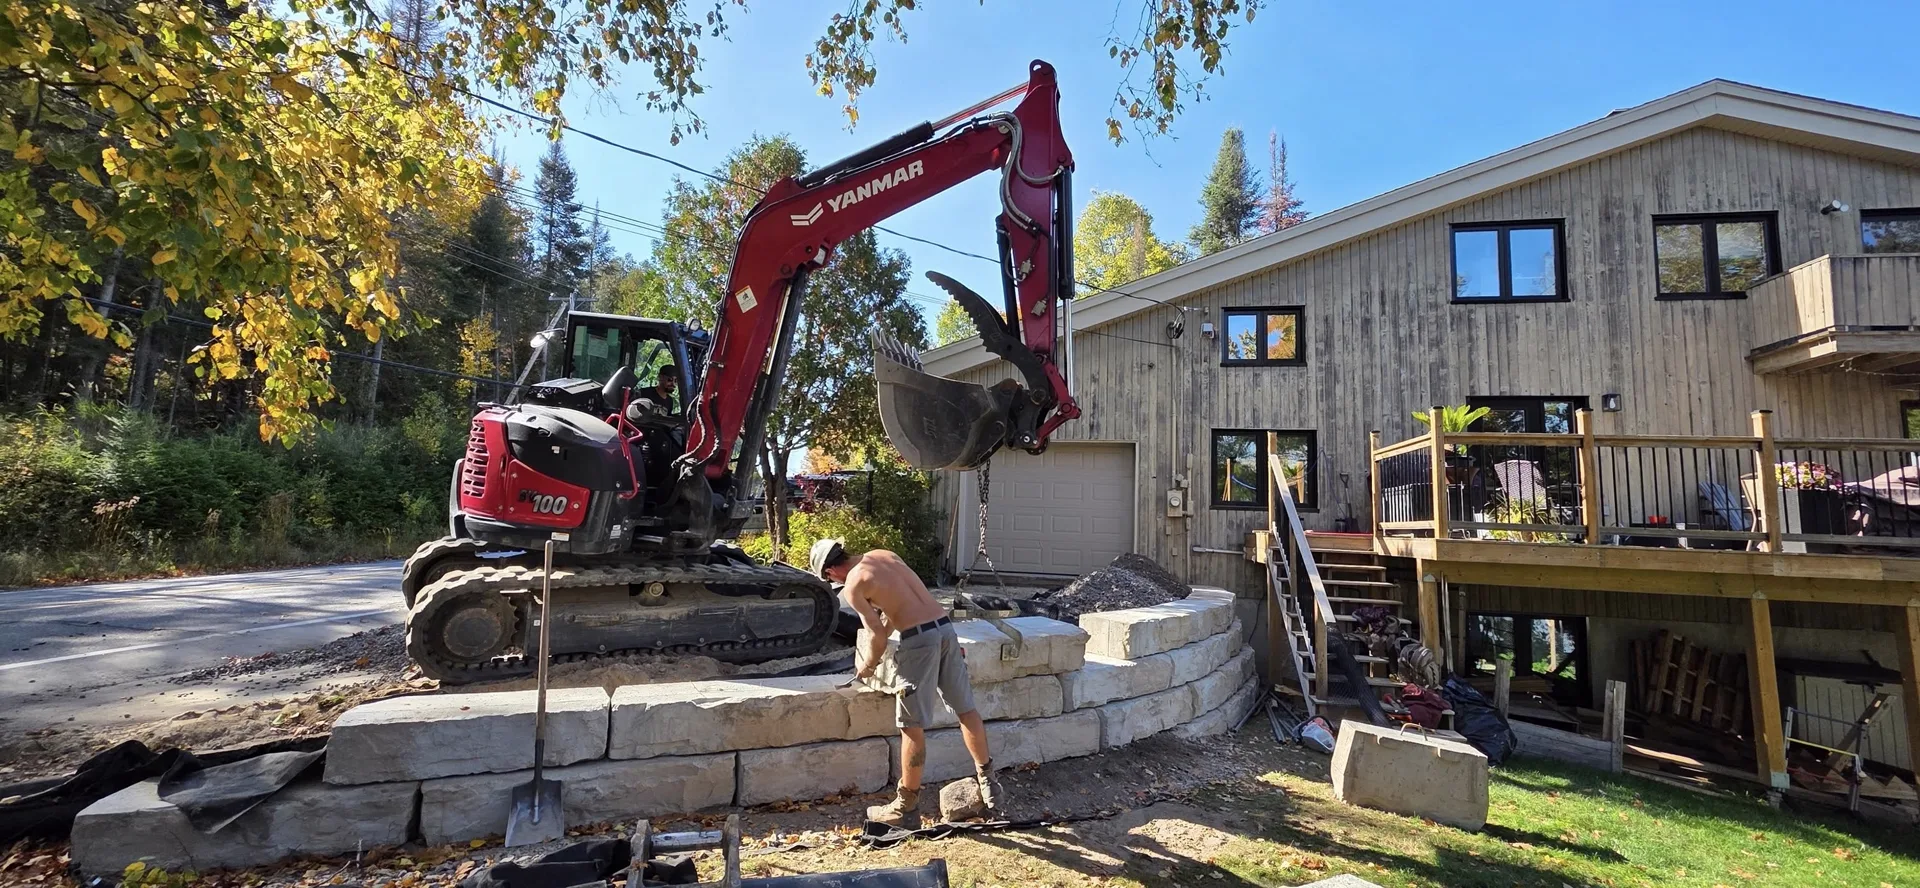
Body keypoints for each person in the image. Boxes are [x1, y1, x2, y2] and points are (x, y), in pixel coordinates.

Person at [810, 537, 1000, 826]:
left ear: (830, 572)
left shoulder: (852, 585)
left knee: (911, 725)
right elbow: (894, 609)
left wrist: (868, 665)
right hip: (945, 630)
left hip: (919, 642)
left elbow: (876, 634)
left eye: (828, 578)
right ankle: (989, 784)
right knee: (966, 709)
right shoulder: (883, 554)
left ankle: (906, 806)